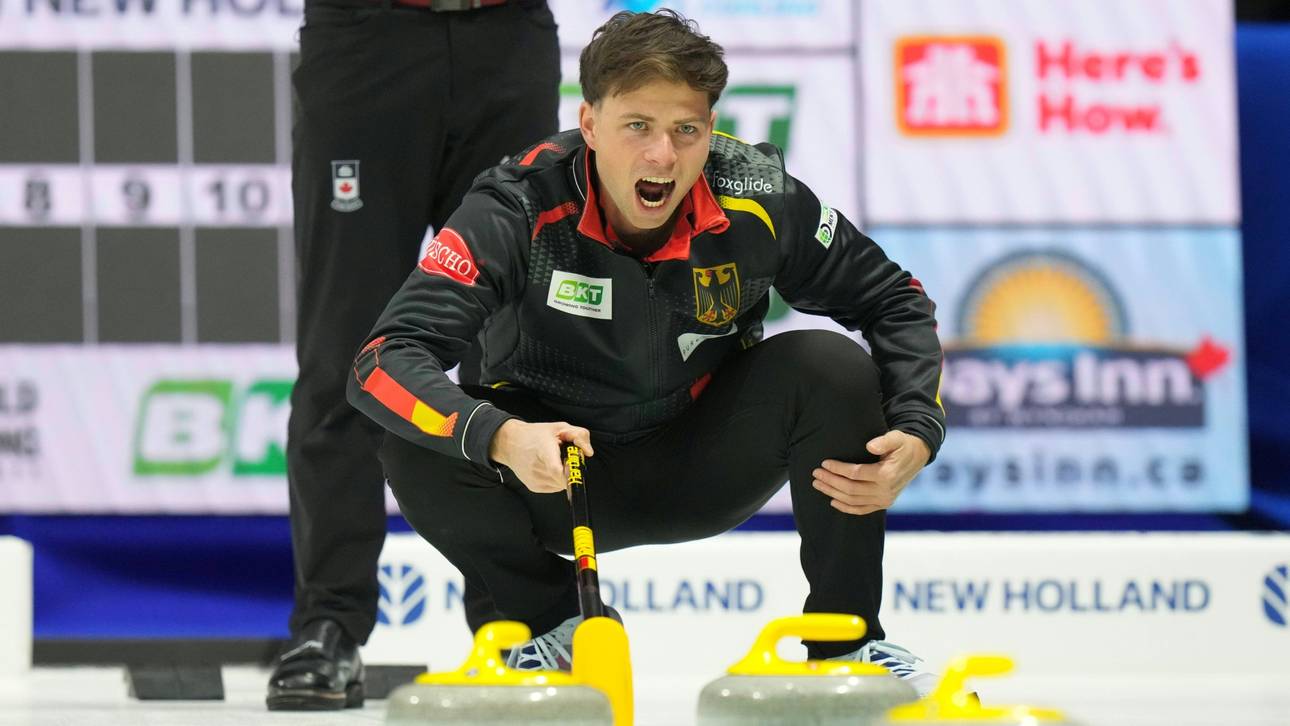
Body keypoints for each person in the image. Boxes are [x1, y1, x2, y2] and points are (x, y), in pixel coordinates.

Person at [347, 8, 946, 695]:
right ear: (589, 124)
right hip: (561, 477)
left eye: (686, 130)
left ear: (710, 129)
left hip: (705, 460)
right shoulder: (517, 205)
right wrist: (502, 437)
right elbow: (383, 360)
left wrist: (919, 427)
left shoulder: (760, 195)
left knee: (829, 367)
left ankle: (846, 643)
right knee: (417, 437)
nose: (662, 156)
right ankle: (556, 628)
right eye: (637, 126)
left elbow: (894, 299)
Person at [269, 0, 560, 711]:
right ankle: (329, 623)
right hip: (366, 37)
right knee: (346, 346)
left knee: (514, 351)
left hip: (508, 38)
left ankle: (514, 623)